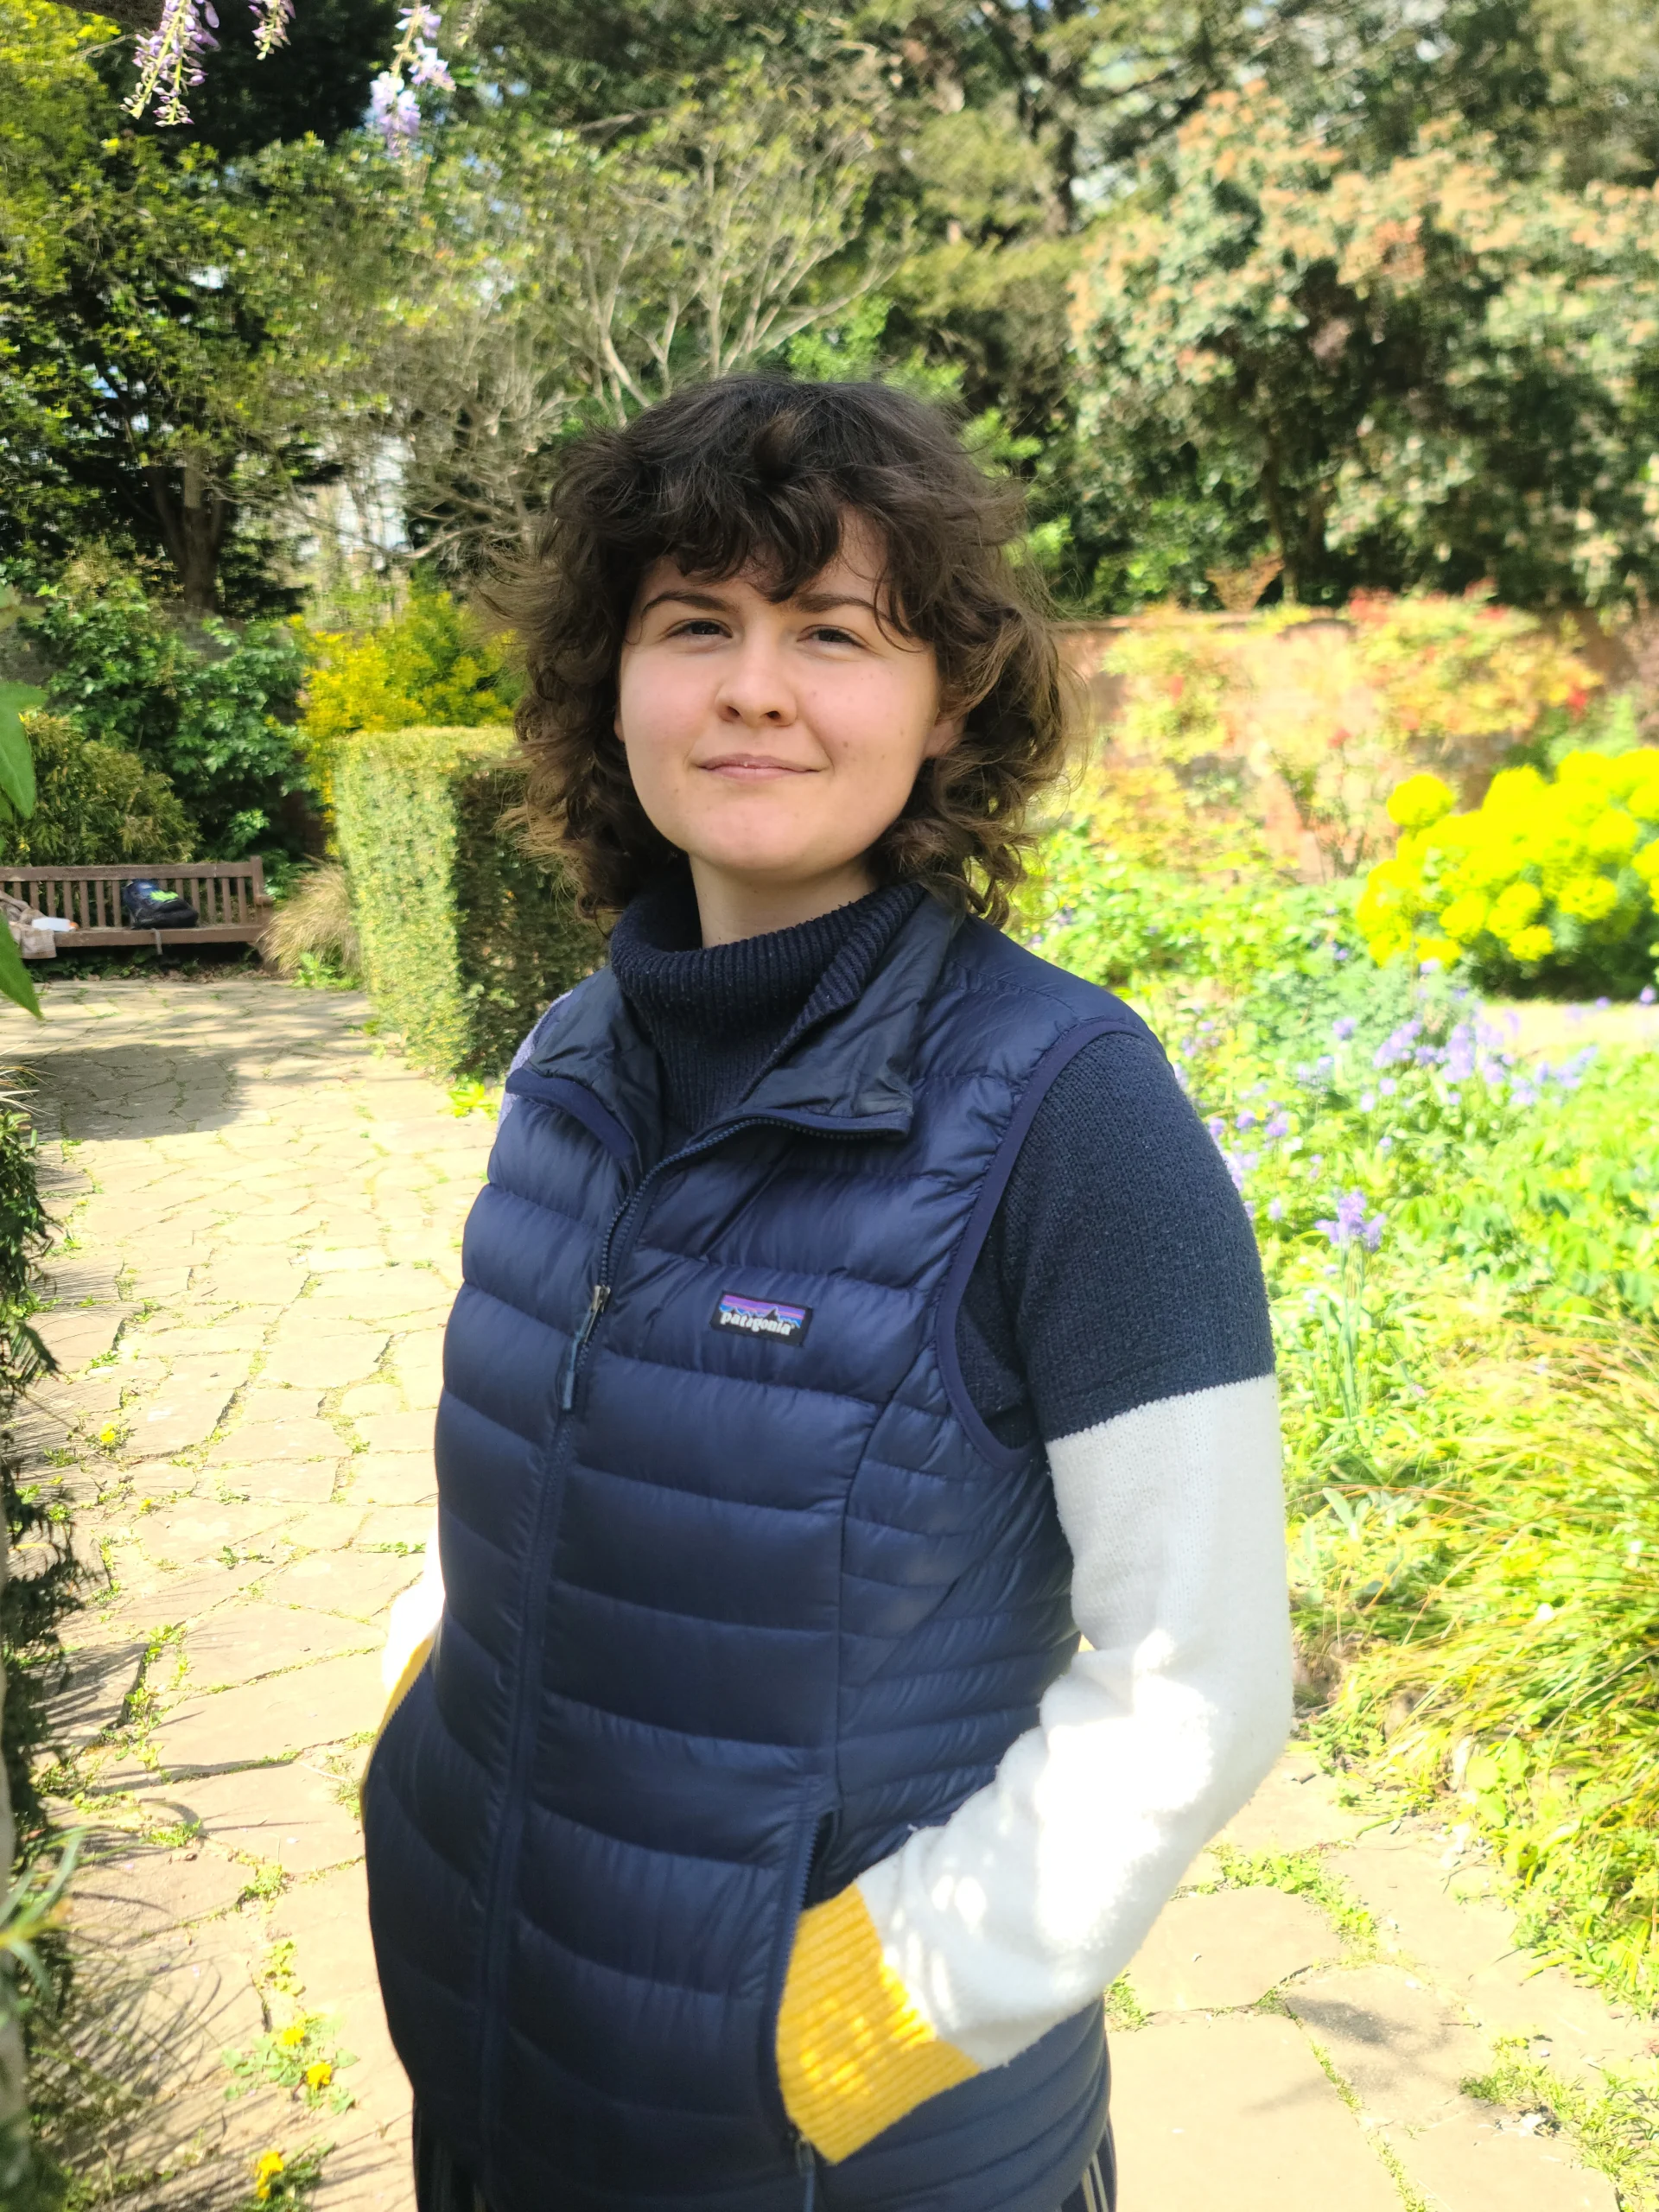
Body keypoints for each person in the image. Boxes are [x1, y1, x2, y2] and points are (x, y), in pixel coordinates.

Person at [363, 376, 1290, 2212]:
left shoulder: (1071, 1112)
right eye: (693, 622)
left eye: (833, 632)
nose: (754, 684)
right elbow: (534, 1477)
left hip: (829, 2150)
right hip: (492, 2064)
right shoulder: (569, 1058)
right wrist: (421, 1714)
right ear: (610, 685)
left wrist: (849, 2021)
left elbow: (1199, 1685)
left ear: (947, 701)